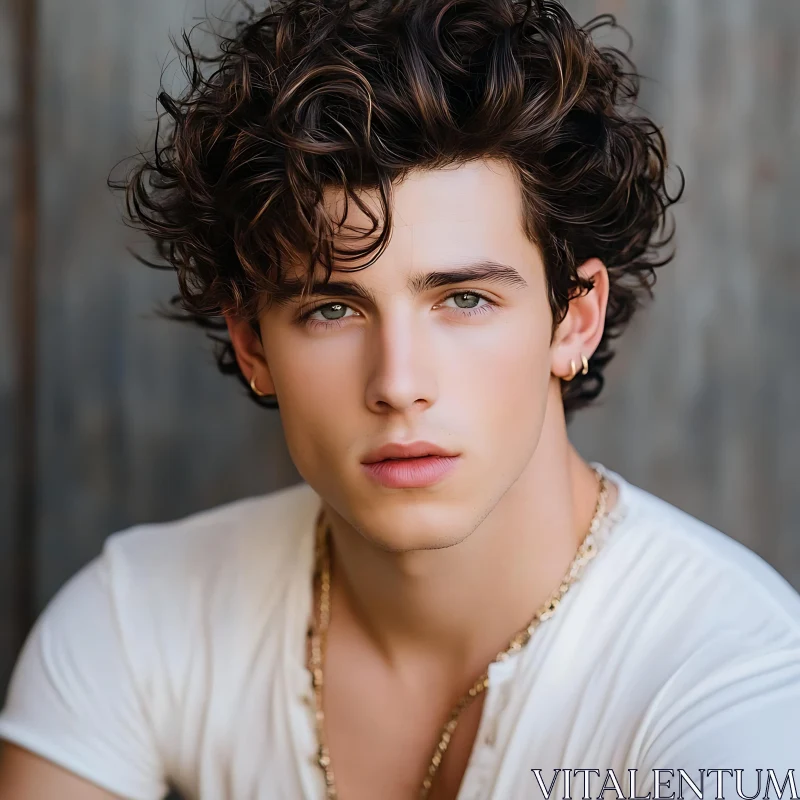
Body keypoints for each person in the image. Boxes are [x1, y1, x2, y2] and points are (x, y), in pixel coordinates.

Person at [2, 0, 799, 798]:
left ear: (573, 318)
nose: (398, 384)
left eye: (465, 300)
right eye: (332, 310)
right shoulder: (134, 619)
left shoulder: (736, 680)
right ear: (253, 345)